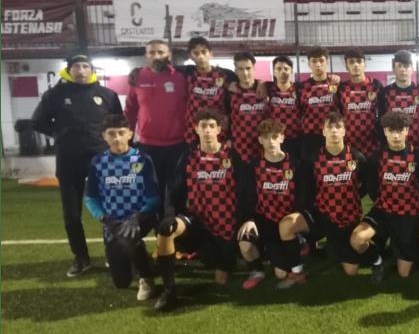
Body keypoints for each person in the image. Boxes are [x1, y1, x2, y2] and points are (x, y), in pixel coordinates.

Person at [32, 50, 124, 277]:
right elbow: (38, 122)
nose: (81, 71)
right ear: (69, 69)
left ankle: (113, 254)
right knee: (72, 214)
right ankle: (81, 258)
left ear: (92, 70)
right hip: (69, 159)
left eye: (85, 67)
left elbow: (119, 123)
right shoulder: (55, 95)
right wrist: (61, 133)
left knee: (111, 208)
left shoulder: (107, 95)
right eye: (76, 67)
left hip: (102, 159)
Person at [155, 108, 247, 312]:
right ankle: (169, 290)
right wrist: (170, 215)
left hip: (226, 224)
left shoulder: (232, 156)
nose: (207, 130)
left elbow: (243, 193)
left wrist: (242, 223)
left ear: (219, 129)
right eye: (203, 126)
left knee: (221, 281)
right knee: (166, 230)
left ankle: (219, 254)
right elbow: (174, 190)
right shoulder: (188, 156)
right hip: (198, 218)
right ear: (196, 129)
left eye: (211, 126)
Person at [278, 112, 369, 282]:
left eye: (338, 127)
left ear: (344, 131)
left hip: (347, 218)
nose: (334, 131)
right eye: (330, 127)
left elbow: (365, 186)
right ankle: (297, 272)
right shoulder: (313, 160)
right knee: (287, 224)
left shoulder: (358, 158)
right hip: (322, 215)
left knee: (351, 271)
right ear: (323, 131)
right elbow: (309, 189)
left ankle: (355, 249)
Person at [84, 114, 159, 300]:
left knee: (127, 237)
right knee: (121, 282)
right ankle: (141, 258)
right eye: (111, 133)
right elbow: (90, 198)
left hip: (139, 218)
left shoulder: (142, 159)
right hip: (112, 222)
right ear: (104, 136)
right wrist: (104, 218)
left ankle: (146, 277)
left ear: (130, 134)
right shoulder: (98, 163)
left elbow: (154, 197)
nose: (117, 138)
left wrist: (138, 217)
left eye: (121, 133)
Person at [351, 111, 419, 281]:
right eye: (391, 131)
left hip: (408, 215)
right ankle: (377, 260)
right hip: (383, 211)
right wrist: (383, 204)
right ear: (385, 131)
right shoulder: (376, 157)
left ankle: (404, 246)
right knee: (357, 239)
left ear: (407, 130)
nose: (395, 135)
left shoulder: (418, 157)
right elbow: (372, 187)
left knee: (404, 273)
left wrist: (414, 209)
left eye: (399, 130)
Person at [238, 119, 307, 289]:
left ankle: (299, 241)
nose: (271, 142)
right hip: (264, 221)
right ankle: (256, 271)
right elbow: (247, 195)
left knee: (281, 274)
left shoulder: (295, 164)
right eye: (266, 137)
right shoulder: (253, 166)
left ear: (282, 138)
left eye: (275, 137)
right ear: (260, 140)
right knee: (244, 243)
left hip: (285, 224)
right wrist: (249, 219)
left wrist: (294, 222)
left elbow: (302, 196)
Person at [124, 40, 188, 216]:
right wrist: (127, 141)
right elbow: (130, 111)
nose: (156, 56)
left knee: (178, 192)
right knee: (152, 194)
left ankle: (177, 230)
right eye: (152, 53)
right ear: (146, 56)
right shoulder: (137, 78)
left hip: (178, 146)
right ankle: (158, 229)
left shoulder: (180, 78)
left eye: (161, 52)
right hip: (148, 147)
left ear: (169, 56)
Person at [377, 50, 419, 156]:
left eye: (406, 66)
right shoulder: (385, 92)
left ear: (412, 69)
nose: (403, 69)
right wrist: (383, 147)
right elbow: (381, 124)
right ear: (393, 69)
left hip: (418, 148)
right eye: (399, 66)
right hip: (392, 149)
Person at [337, 48, 383, 156]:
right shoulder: (342, 88)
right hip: (349, 143)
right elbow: (339, 115)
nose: (356, 65)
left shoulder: (376, 85)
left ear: (365, 65)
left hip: (373, 144)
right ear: (347, 67)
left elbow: (383, 112)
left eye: (359, 61)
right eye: (351, 62)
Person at [298, 46, 340, 159]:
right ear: (309, 64)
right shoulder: (301, 87)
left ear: (327, 62)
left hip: (332, 134)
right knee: (309, 166)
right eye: (314, 61)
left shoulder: (337, 84)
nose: (318, 64)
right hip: (309, 137)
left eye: (321, 60)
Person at [226, 52, 267, 163]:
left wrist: (262, 83)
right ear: (235, 71)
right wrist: (228, 138)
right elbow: (227, 118)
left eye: (248, 68)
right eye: (241, 69)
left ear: (254, 69)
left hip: (264, 144)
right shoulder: (230, 92)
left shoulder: (266, 89)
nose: (245, 73)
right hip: (240, 146)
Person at [264, 57, 302, 158]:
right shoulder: (268, 88)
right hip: (275, 139)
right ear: (273, 72)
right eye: (279, 69)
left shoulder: (299, 89)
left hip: (295, 139)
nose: (282, 72)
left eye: (286, 69)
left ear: (291, 71)